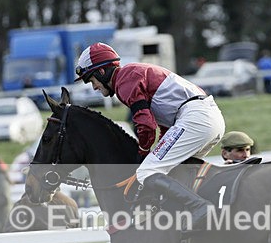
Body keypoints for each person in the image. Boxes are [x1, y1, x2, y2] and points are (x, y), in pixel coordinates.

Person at [75, 42, 225, 231]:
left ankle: (200, 206)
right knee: (170, 171)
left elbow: (146, 125)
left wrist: (143, 152)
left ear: (102, 72)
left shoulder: (124, 81)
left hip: (196, 119)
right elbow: (163, 129)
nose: (93, 87)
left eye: (90, 80)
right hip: (207, 118)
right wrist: (152, 152)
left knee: (147, 172)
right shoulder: (132, 75)